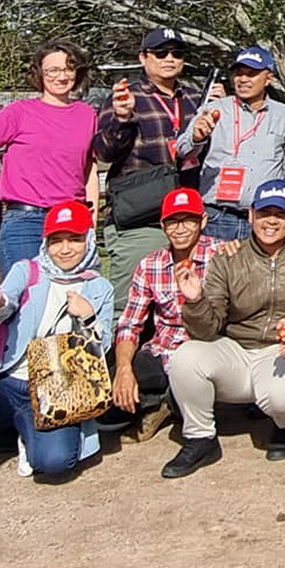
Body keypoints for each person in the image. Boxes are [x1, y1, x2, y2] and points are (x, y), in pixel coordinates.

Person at [0, 200, 115, 504]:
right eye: (56, 241)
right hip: (9, 378)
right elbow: (4, 304)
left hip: (57, 391)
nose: (64, 249)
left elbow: (103, 350)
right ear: (45, 244)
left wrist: (88, 317)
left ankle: (26, 434)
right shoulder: (28, 270)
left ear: (87, 240)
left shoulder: (99, 287)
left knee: (56, 464)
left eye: (74, 239)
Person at [160, 179, 285, 478]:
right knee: (185, 357)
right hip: (236, 349)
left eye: (280, 214)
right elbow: (206, 329)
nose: (271, 221)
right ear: (251, 215)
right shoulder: (229, 257)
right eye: (264, 213)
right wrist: (196, 300)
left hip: (282, 350)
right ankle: (200, 438)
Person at [0, 42, 100, 275]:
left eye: (69, 68)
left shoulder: (87, 115)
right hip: (26, 222)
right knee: (27, 296)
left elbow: (89, 170)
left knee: (74, 298)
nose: (61, 76)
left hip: (71, 219)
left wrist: (92, 218)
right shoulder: (20, 112)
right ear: (39, 73)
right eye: (53, 70)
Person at [93, 27, 206, 305]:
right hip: (142, 218)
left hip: (188, 217)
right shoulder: (126, 96)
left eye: (177, 53)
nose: (169, 58)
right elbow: (104, 153)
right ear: (143, 57)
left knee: (185, 301)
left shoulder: (195, 99)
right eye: (160, 53)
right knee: (129, 304)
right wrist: (122, 117)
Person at [104, 188, 217, 442]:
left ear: (203, 220)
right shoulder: (150, 265)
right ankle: (159, 402)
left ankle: (171, 403)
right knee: (106, 399)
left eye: (188, 220)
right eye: (172, 222)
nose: (180, 229)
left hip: (205, 351)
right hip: (163, 352)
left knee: (193, 385)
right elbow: (129, 325)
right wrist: (123, 370)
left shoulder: (223, 255)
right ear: (162, 225)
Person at [176, 46, 285, 242]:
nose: (243, 79)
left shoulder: (283, 114)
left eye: (251, 74)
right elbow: (183, 150)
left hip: (263, 218)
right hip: (218, 217)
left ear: (269, 78)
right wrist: (197, 137)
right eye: (238, 73)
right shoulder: (213, 109)